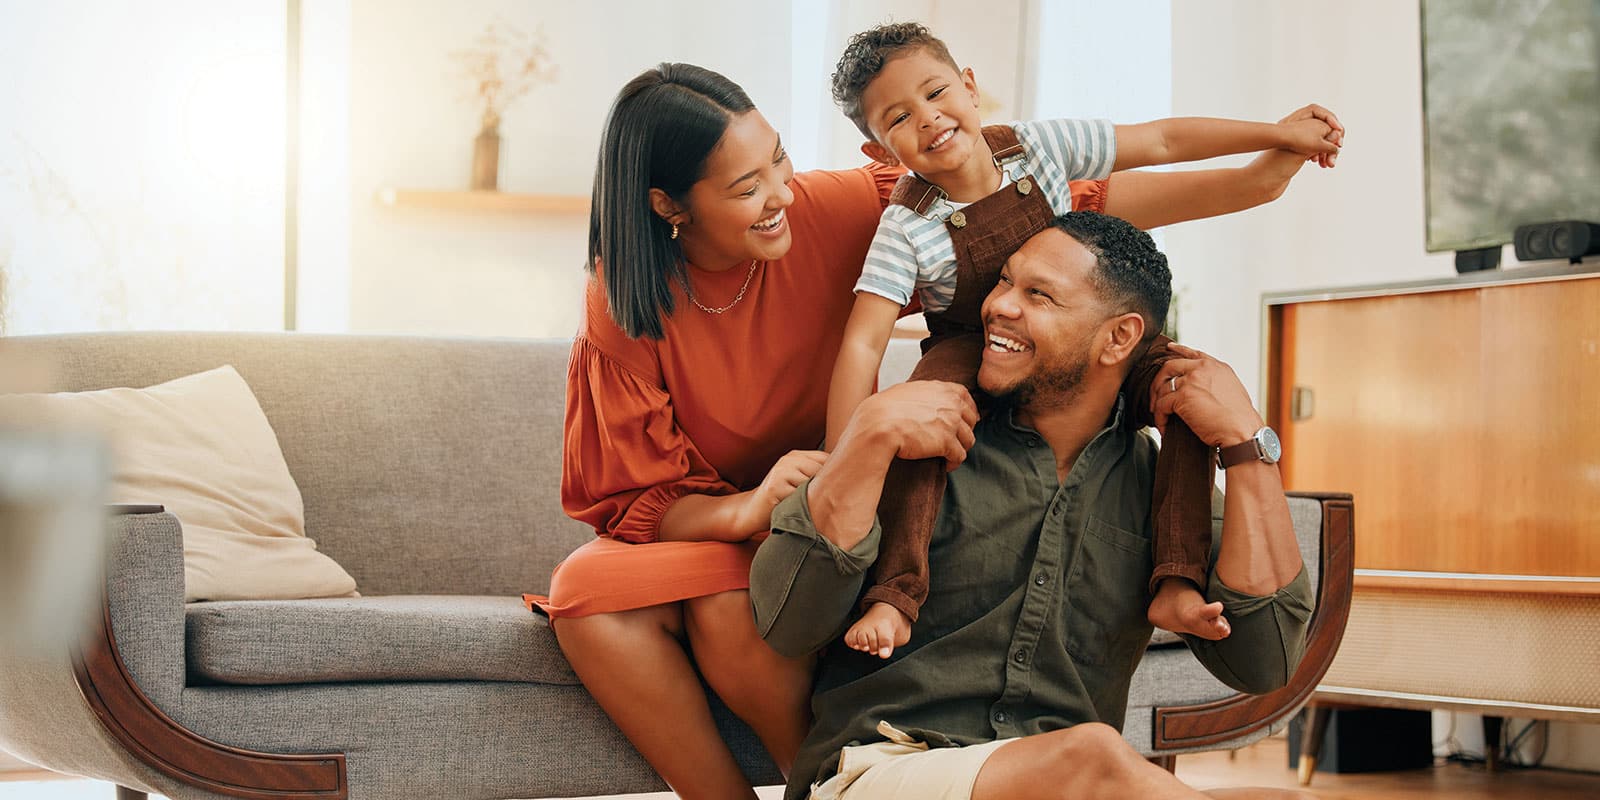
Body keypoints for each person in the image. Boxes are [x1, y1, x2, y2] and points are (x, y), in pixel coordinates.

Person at [534, 62, 1332, 800]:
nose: (782, 191)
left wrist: (1262, 180)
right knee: (599, 594)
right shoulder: (629, 303)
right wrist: (840, 458)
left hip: (831, 508)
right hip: (773, 509)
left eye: (779, 159)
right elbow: (640, 495)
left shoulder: (848, 208)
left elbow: (1044, 208)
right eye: (747, 186)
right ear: (669, 205)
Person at [752, 211, 1315, 800]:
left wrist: (1248, 446)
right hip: (881, 769)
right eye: (1004, 281)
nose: (999, 306)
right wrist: (866, 436)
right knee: (1093, 757)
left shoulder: (1161, 492)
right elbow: (787, 622)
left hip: (1056, 782)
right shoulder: (917, 441)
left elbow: (1265, 661)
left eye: (1038, 294)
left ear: (1119, 337)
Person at [823, 22, 1342, 659]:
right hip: (971, 341)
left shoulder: (1038, 147)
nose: (929, 119)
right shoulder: (905, 226)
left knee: (1186, 389)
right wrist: (842, 456)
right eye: (900, 118)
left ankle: (1176, 578)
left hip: (1080, 322)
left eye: (935, 93)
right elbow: (860, 346)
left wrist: (1276, 133)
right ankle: (895, 592)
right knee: (920, 420)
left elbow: (1161, 138)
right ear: (880, 152)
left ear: (969, 85)